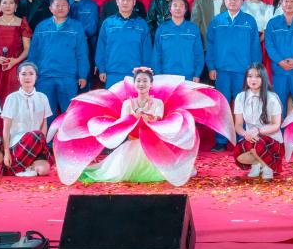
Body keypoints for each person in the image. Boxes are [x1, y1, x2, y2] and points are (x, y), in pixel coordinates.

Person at [52, 67, 232, 186]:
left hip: (154, 147)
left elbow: (159, 121)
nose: (141, 84)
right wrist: (136, 117)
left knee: (167, 170)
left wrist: (144, 116)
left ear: (151, 84)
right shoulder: (127, 103)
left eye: (145, 81)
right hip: (132, 147)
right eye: (138, 81)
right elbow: (122, 123)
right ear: (134, 84)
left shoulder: (158, 103)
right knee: (109, 173)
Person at [206, 0, 263, 148]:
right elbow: (210, 46)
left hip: (243, 71)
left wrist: (255, 70)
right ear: (225, 1)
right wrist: (211, 66)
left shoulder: (249, 21)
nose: (233, 1)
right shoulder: (216, 21)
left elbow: (255, 46)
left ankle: (243, 139)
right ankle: (221, 141)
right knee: (222, 106)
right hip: (222, 70)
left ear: (242, 1)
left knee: (243, 106)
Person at [25, 0, 89, 117]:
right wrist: (31, 74)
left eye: (64, 5)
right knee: (46, 115)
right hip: (44, 77)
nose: (60, 8)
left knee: (69, 114)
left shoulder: (77, 27)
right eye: (57, 5)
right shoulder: (41, 26)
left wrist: (83, 75)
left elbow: (82, 53)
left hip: (68, 77)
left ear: (69, 8)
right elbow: (33, 54)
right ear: (50, 8)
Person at [0, 62, 53, 178]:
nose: (27, 77)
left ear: (36, 77)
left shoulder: (42, 97)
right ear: (18, 77)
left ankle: (27, 166)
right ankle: (20, 166)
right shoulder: (12, 98)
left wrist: (40, 145)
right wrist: (6, 153)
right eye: (23, 74)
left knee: (43, 170)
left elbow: (44, 125)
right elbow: (6, 129)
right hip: (17, 145)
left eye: (31, 74)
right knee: (36, 134)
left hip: (36, 143)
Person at [232, 64, 285, 179]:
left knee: (256, 144)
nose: (253, 80)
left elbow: (276, 125)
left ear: (263, 78)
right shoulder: (240, 97)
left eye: (257, 76)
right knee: (238, 155)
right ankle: (257, 163)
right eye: (250, 76)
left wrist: (258, 130)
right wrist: (245, 134)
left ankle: (268, 166)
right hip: (252, 138)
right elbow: (238, 125)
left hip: (272, 140)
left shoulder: (272, 98)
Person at [95, 0, 153, 87]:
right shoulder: (108, 23)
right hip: (112, 73)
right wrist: (102, 69)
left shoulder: (142, 24)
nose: (125, 2)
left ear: (134, 3)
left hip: (136, 74)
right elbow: (101, 48)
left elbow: (147, 51)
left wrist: (145, 71)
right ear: (117, 2)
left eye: (129, 0)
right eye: (122, 0)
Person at [155, 0, 204, 81]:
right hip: (166, 76)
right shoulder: (162, 29)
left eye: (181, 5)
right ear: (170, 9)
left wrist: (197, 74)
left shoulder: (193, 29)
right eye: (175, 5)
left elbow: (199, 54)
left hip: (188, 76)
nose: (178, 8)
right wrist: (158, 75)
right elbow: (156, 54)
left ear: (185, 10)